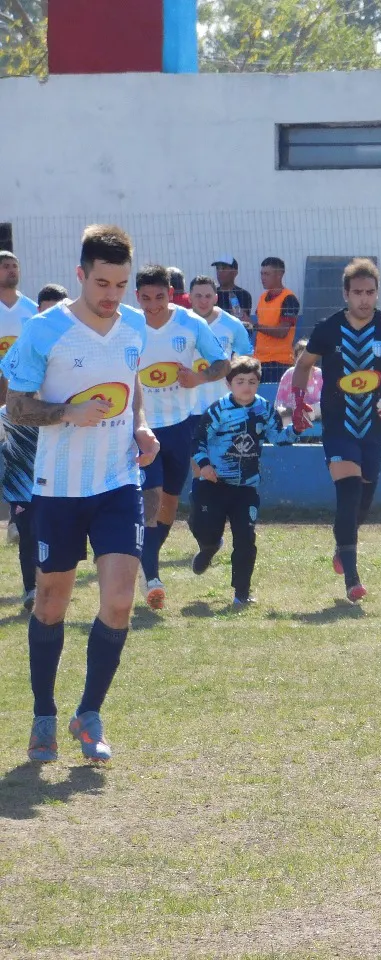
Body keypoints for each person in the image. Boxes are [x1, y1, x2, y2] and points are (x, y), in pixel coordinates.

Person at [1, 224, 159, 763]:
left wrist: (141, 426)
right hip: (58, 488)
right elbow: (18, 406)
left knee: (118, 600)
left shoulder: (135, 326)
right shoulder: (44, 331)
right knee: (51, 603)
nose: (112, 295)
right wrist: (67, 413)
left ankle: (88, 713)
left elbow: (133, 386)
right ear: (80, 276)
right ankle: (44, 714)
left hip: (118, 482)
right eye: (102, 283)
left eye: (120, 284)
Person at [289, 258, 381, 602]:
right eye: (358, 292)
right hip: (337, 424)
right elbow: (304, 366)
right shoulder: (328, 329)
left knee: (362, 500)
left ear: (378, 293)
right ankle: (352, 578)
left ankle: (342, 546)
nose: (365, 299)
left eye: (371, 292)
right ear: (345, 293)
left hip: (375, 424)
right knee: (347, 493)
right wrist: (300, 400)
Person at [133, 264, 230, 611]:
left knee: (169, 504)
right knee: (150, 497)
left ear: (170, 294)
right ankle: (152, 576)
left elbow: (223, 363)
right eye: (146, 298)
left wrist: (200, 378)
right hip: (142, 426)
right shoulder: (128, 324)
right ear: (137, 297)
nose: (153, 305)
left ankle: (146, 564)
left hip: (182, 425)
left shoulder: (191, 324)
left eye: (159, 297)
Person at [190, 356, 298, 606]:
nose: (246, 387)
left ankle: (241, 593)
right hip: (213, 484)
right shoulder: (218, 409)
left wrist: (297, 428)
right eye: (240, 381)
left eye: (252, 381)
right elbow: (197, 440)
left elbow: (279, 438)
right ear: (229, 384)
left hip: (246, 487)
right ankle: (209, 547)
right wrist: (204, 465)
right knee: (204, 530)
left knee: (246, 538)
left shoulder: (264, 408)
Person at [1, 284, 68, 611]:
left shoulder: (76, 342)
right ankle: (31, 589)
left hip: (62, 445)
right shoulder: (28, 340)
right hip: (23, 444)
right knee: (28, 527)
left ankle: (52, 582)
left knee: (54, 529)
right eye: (45, 309)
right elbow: (8, 378)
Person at [188, 274, 253, 427]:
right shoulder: (181, 323)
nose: (203, 301)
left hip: (222, 405)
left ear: (216, 298)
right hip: (188, 408)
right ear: (189, 297)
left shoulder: (232, 324)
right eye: (198, 296)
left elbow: (247, 359)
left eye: (208, 296)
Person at [254, 256, 300, 384]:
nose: (263, 278)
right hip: (260, 361)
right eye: (262, 274)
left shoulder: (289, 299)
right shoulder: (262, 297)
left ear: (279, 274)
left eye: (267, 274)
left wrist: (255, 325)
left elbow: (282, 332)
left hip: (279, 363)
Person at [0, 251, 39, 400]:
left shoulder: (32, 310)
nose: (12, 270)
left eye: (15, 266)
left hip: (22, 387)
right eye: (6, 266)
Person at [275, 338, 323, 439]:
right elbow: (279, 403)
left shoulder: (319, 374)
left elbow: (325, 401)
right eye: (300, 356)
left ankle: (305, 418)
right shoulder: (289, 374)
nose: (304, 360)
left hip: (316, 413)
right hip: (293, 412)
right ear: (295, 358)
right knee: (283, 415)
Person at [212, 255, 253, 325]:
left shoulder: (243, 294)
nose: (220, 272)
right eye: (218, 269)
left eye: (224, 268)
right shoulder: (211, 294)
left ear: (235, 272)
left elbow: (241, 319)